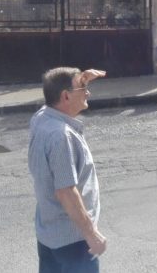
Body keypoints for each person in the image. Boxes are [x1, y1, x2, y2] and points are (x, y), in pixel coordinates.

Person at [28, 67, 108, 273]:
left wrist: (82, 80)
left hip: (50, 234)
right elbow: (65, 191)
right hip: (73, 242)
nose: (87, 92)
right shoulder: (61, 136)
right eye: (82, 88)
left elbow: (58, 88)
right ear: (65, 96)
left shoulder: (42, 118)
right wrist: (91, 234)